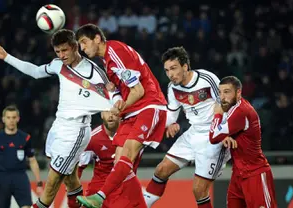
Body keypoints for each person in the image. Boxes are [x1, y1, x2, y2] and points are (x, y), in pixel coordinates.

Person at [0, 29, 118, 208]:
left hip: (76, 132)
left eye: (65, 50)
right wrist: (6, 57)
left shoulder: (95, 73)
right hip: (58, 127)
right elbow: (35, 71)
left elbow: (115, 97)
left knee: (52, 183)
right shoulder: (58, 65)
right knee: (69, 178)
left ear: (75, 47)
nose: (61, 55)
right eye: (58, 51)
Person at [76, 24, 167, 208]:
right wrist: (115, 94)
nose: (83, 49)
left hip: (148, 106)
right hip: (131, 112)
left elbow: (138, 91)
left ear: (97, 38)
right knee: (120, 163)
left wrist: (119, 107)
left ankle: (100, 197)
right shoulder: (107, 61)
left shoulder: (116, 52)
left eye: (84, 43)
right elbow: (120, 88)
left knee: (128, 154)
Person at [142, 47, 230, 208]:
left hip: (214, 137)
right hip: (193, 134)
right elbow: (172, 114)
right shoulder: (172, 88)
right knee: (161, 170)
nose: (170, 74)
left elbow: (228, 104)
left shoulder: (207, 78)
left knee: (198, 190)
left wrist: (226, 131)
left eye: (174, 68)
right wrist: (170, 124)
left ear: (185, 66)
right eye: (167, 70)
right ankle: (141, 205)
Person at [209, 76, 277, 207]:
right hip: (238, 175)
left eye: (227, 92)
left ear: (238, 92)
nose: (222, 97)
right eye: (220, 92)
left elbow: (213, 136)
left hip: (255, 173)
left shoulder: (241, 111)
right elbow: (223, 131)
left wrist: (217, 114)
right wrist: (224, 136)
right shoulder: (233, 108)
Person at [0, 105, 43, 208]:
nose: (11, 120)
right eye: (8, 117)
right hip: (2, 179)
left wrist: (39, 182)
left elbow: (32, 160)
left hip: (20, 177)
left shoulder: (25, 138)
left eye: (13, 117)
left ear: (18, 119)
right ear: (3, 119)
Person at [78, 111, 119, 208]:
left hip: (123, 186)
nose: (110, 115)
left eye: (113, 111)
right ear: (101, 114)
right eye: (107, 111)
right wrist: (74, 192)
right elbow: (79, 167)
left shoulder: (131, 134)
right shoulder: (92, 139)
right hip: (99, 187)